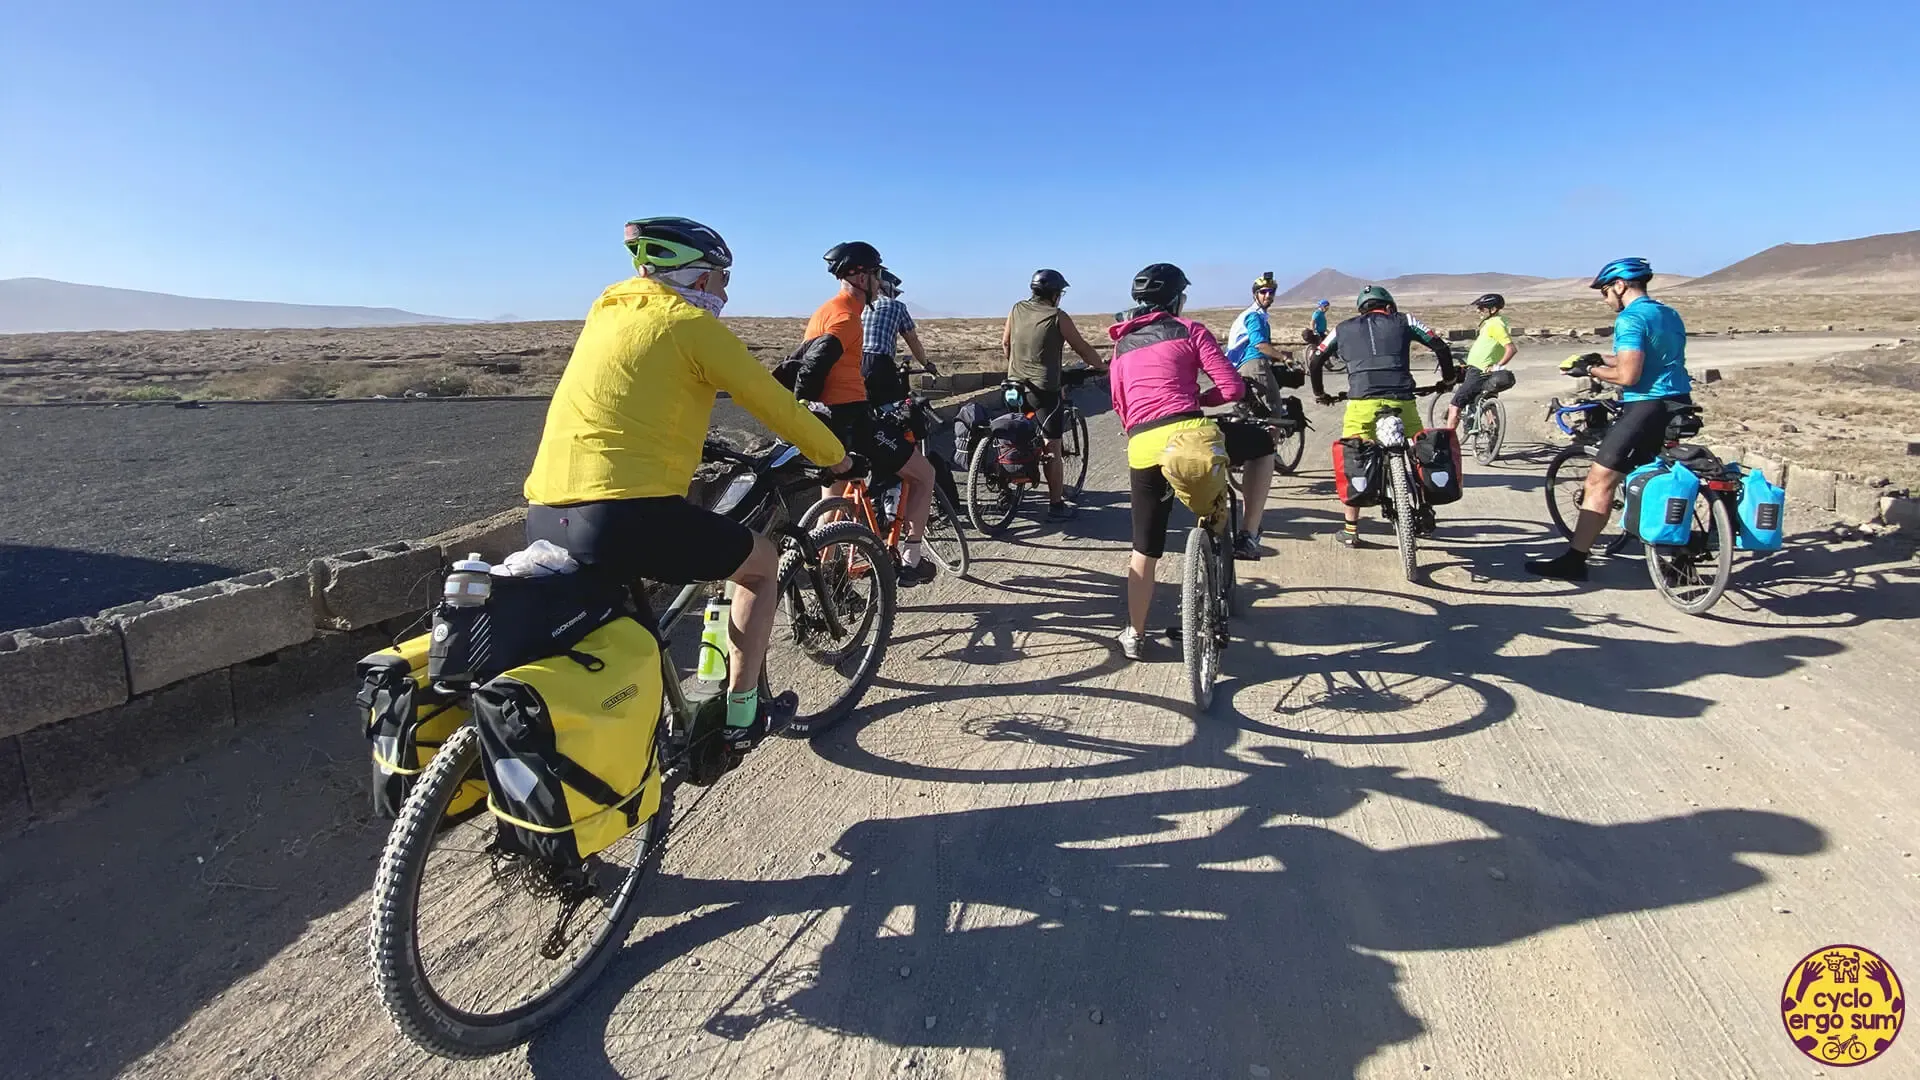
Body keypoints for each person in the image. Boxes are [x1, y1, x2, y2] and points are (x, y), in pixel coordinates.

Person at [523, 216, 853, 754]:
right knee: (761, 562)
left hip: (544, 510)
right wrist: (834, 457)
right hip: (623, 514)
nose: (725, 292)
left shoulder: (606, 314)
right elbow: (773, 405)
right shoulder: (691, 326)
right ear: (699, 280)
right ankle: (744, 712)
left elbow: (628, 398)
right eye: (723, 280)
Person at [1107, 263, 1277, 660]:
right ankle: (1249, 535)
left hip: (1142, 444)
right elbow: (1232, 387)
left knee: (1144, 547)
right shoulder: (1190, 330)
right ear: (1176, 299)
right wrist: (1199, 401)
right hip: (1190, 436)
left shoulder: (1121, 345)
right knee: (1262, 445)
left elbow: (1120, 404)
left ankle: (1134, 633)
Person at [1526, 258, 1693, 582]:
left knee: (1599, 481)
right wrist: (1601, 358)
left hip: (1646, 407)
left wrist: (1588, 370)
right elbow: (1649, 359)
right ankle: (1676, 554)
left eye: (1605, 292)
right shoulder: (1667, 313)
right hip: (1678, 402)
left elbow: (1629, 375)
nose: (1606, 299)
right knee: (1656, 475)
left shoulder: (1630, 319)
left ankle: (1575, 561)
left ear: (1620, 286)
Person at [784, 241, 939, 585]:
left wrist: (804, 412)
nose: (879, 281)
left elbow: (797, 362)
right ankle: (911, 560)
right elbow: (815, 363)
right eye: (877, 274)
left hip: (829, 425)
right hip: (852, 420)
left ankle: (827, 576)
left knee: (834, 499)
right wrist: (802, 402)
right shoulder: (848, 318)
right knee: (923, 474)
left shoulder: (824, 310)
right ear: (861, 276)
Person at [1309, 285, 1457, 548]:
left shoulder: (1342, 328)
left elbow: (1317, 359)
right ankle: (1425, 509)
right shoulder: (1404, 320)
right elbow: (1441, 347)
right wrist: (1447, 380)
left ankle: (1351, 529)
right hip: (1402, 399)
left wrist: (1321, 393)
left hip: (1361, 403)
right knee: (1418, 449)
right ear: (1389, 307)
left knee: (1355, 454)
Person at [1003, 269, 1108, 519]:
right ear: (1055, 294)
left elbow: (1005, 343)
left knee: (1012, 435)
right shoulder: (1057, 316)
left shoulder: (1016, 309)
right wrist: (1101, 366)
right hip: (1044, 392)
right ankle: (1056, 505)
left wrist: (1015, 369)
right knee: (1052, 446)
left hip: (1014, 387)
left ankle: (1006, 491)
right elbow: (1081, 347)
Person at [861, 269, 937, 405]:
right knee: (897, 406)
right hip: (879, 361)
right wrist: (926, 363)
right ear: (886, 288)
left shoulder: (861, 305)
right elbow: (912, 340)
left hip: (855, 361)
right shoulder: (897, 306)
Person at [1445, 292, 1517, 430]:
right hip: (1484, 370)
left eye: (1482, 308)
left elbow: (1511, 349)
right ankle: (1493, 446)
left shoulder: (1495, 325)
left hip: (1479, 371)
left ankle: (1448, 444)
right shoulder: (1495, 322)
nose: (1478, 311)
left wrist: (1497, 366)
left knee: (1454, 407)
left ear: (1493, 309)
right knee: (1487, 404)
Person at [1225, 272, 1287, 369]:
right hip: (1253, 364)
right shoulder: (1254, 316)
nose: (1267, 295)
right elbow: (1260, 346)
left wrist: (1277, 354)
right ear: (1255, 295)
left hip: (1249, 363)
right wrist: (1284, 358)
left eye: (1271, 292)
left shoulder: (1260, 316)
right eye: (1263, 292)